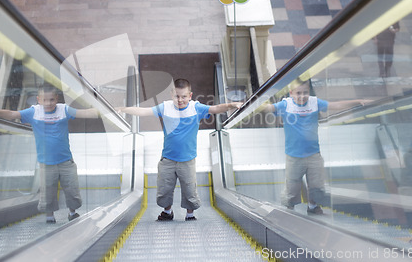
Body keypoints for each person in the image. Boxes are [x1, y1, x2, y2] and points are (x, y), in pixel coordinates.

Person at [117, 78, 242, 221]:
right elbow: (143, 111)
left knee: (189, 188)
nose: (180, 100)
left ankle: (190, 214)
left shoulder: (195, 107)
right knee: (165, 187)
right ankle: (167, 212)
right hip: (168, 158)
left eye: (184, 96)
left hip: (187, 160)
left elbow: (215, 108)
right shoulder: (165, 107)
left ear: (190, 95)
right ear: (171, 95)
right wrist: (123, 109)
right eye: (177, 96)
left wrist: (232, 104)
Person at [0, 83, 100, 224]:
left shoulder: (64, 110)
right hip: (46, 162)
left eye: (52, 100)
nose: (48, 103)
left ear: (57, 98)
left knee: (72, 189)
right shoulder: (33, 112)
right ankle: (50, 216)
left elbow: (85, 113)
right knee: (48, 191)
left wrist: (109, 110)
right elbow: (12, 114)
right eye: (44, 100)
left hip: (66, 160)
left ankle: (72, 213)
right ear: (38, 99)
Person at [260, 80, 369, 215]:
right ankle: (288, 207)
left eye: (305, 92)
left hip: (314, 154)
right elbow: (270, 108)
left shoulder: (314, 102)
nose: (302, 96)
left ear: (309, 92)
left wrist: (357, 101)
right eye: (298, 93)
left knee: (316, 185)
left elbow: (336, 105)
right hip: (294, 156)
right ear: (291, 93)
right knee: (292, 186)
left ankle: (313, 206)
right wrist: (256, 104)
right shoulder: (285, 104)